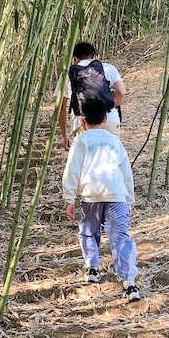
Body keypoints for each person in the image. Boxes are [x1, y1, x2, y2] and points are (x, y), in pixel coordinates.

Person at [62, 97, 140, 302]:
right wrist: (129, 200)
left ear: (82, 120)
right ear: (106, 118)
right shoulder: (115, 140)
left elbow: (72, 170)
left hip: (91, 195)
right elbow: (126, 172)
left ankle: (92, 268)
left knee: (88, 232)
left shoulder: (80, 140)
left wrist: (69, 198)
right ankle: (129, 282)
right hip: (116, 195)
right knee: (120, 236)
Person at [57, 41, 126, 151]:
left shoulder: (68, 72)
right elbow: (121, 92)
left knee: (86, 163)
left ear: (75, 59)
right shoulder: (108, 68)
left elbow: (61, 106)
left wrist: (64, 134)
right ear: (95, 56)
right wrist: (104, 109)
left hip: (82, 122)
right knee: (111, 160)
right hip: (109, 119)